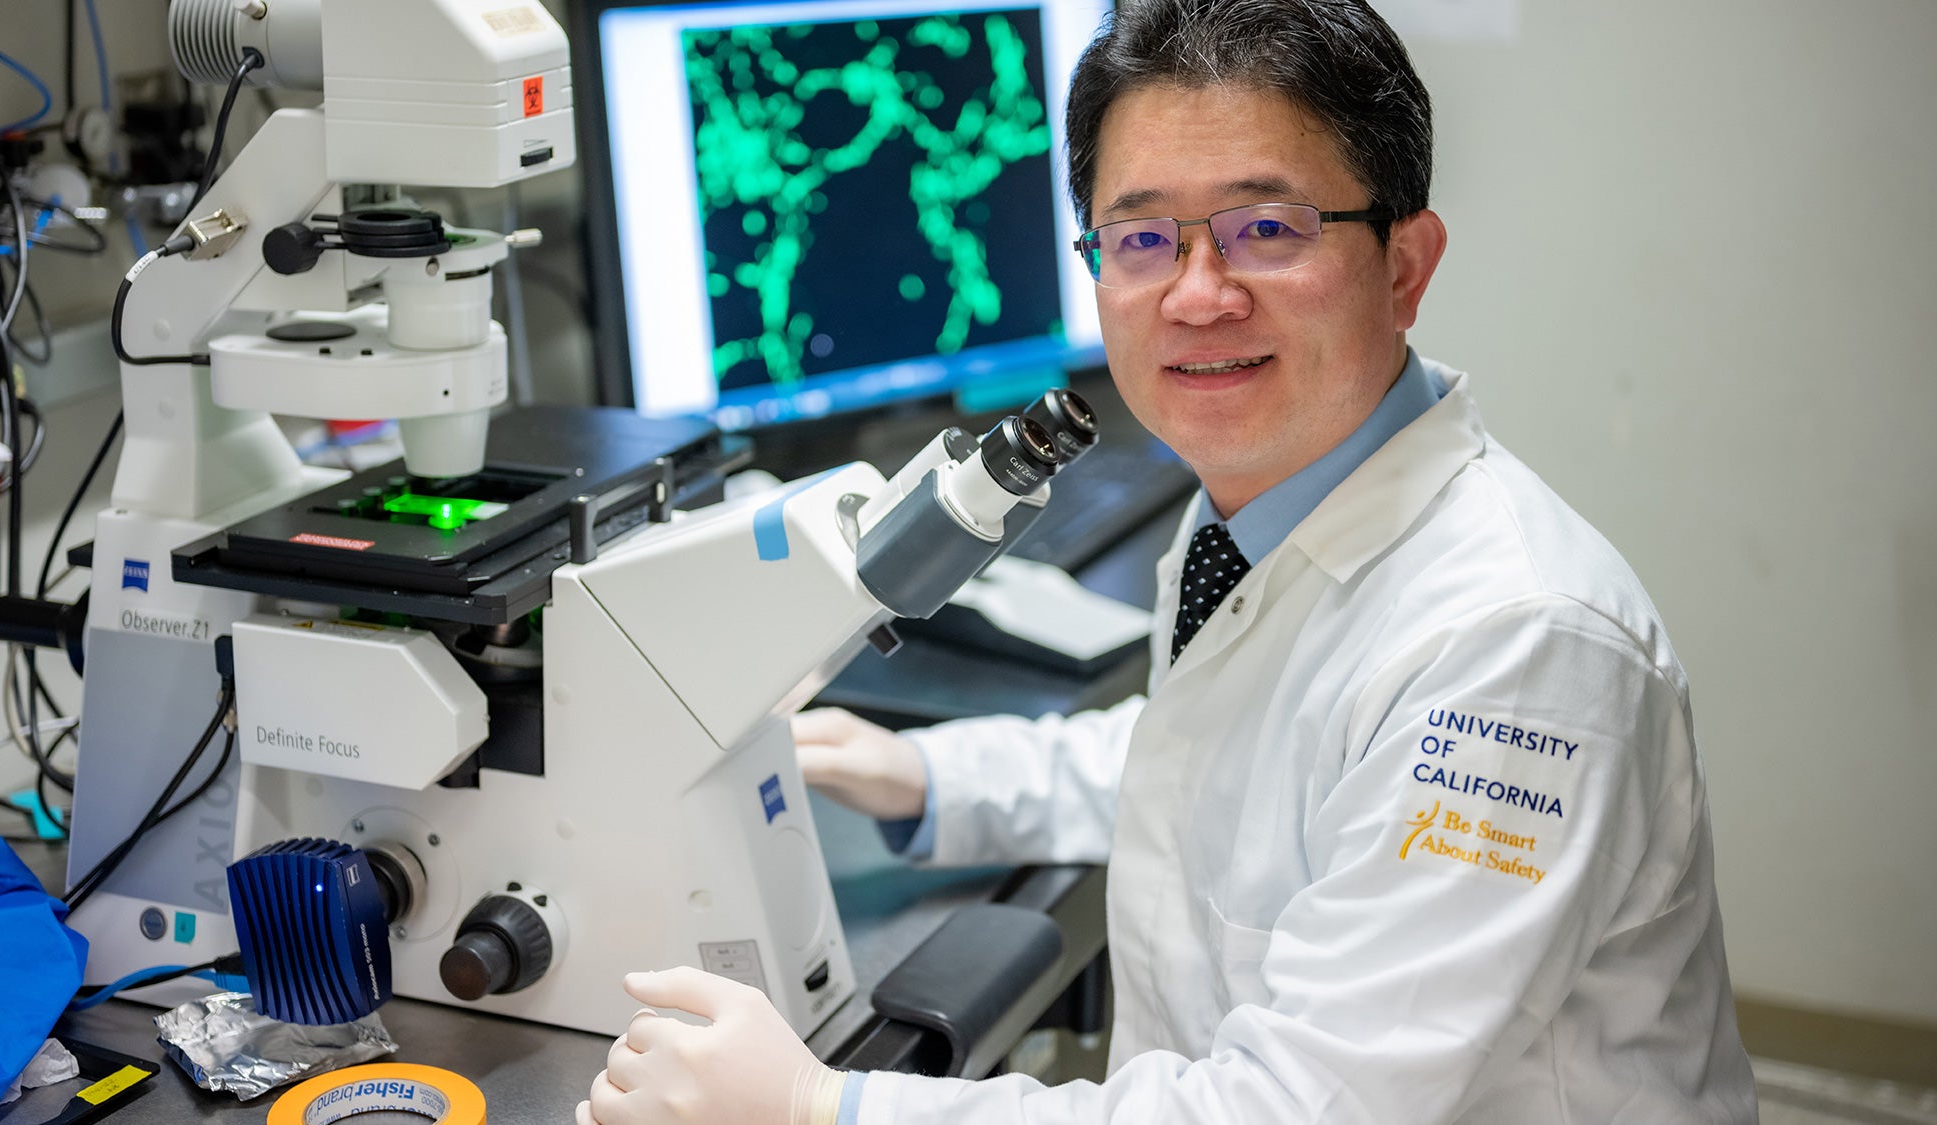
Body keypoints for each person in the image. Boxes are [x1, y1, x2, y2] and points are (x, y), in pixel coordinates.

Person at [576, 0, 1759, 1121]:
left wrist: (818, 1104)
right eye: (1141, 237)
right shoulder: (1262, 503)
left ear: (1403, 266)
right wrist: (927, 779)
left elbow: (1290, 1110)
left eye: (1266, 228)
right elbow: (1227, 770)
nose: (1197, 296)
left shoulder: (1514, 647)